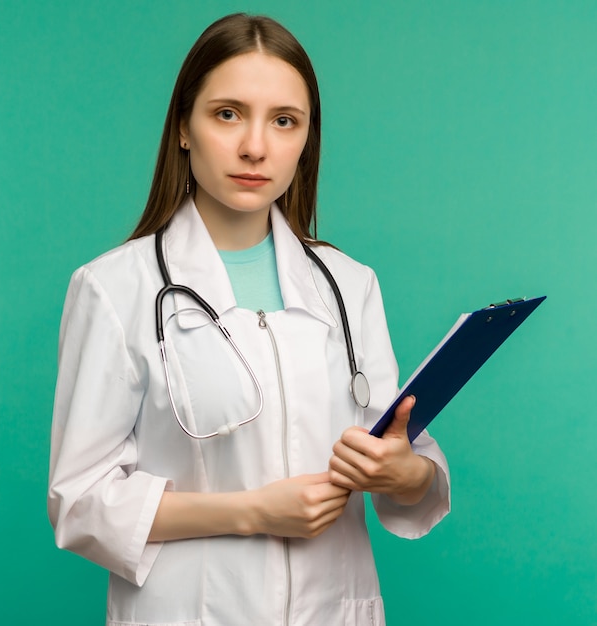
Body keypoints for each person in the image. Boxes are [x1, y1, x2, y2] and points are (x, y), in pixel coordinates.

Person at [48, 13, 450, 626]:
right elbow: (79, 502)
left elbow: (408, 461)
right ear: (184, 127)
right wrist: (253, 512)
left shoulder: (349, 284)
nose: (255, 147)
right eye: (227, 114)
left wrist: (406, 473)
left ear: (305, 138)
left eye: (284, 121)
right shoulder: (113, 289)